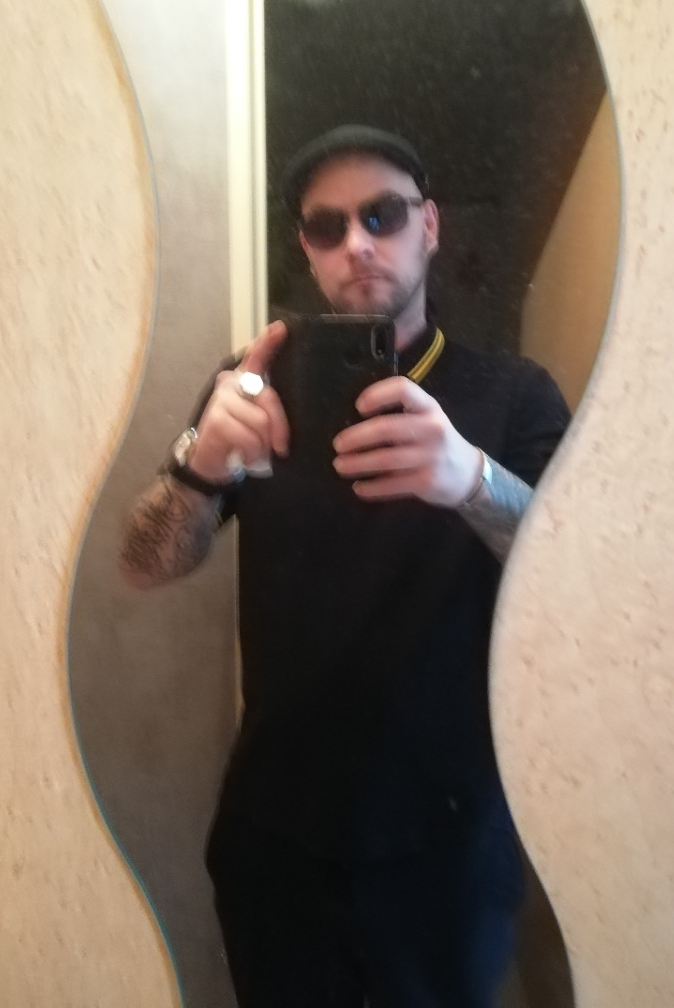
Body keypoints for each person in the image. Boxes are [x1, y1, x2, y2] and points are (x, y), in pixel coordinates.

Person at [120, 125, 571, 1007]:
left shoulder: (514, 396)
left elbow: (581, 586)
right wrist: (198, 466)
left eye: (382, 215)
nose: (356, 243)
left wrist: (471, 479)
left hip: (448, 840)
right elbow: (146, 564)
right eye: (327, 227)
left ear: (429, 225)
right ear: (306, 248)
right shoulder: (251, 385)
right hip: (275, 835)